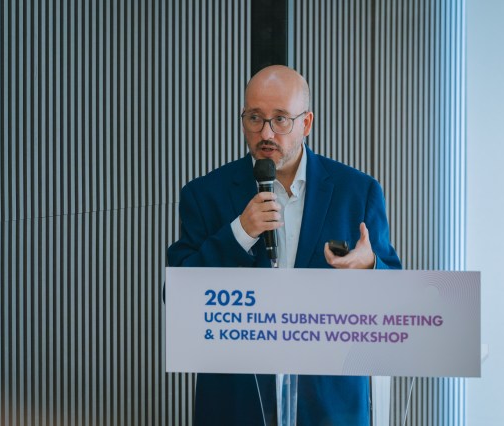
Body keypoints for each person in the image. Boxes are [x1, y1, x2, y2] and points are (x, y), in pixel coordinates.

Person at [167, 65, 401, 426]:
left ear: (306, 123)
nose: (266, 133)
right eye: (255, 118)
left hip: (329, 407)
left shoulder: (358, 191)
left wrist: (370, 266)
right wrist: (239, 233)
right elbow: (177, 295)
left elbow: (398, 298)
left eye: (280, 120)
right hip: (236, 404)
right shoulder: (204, 194)